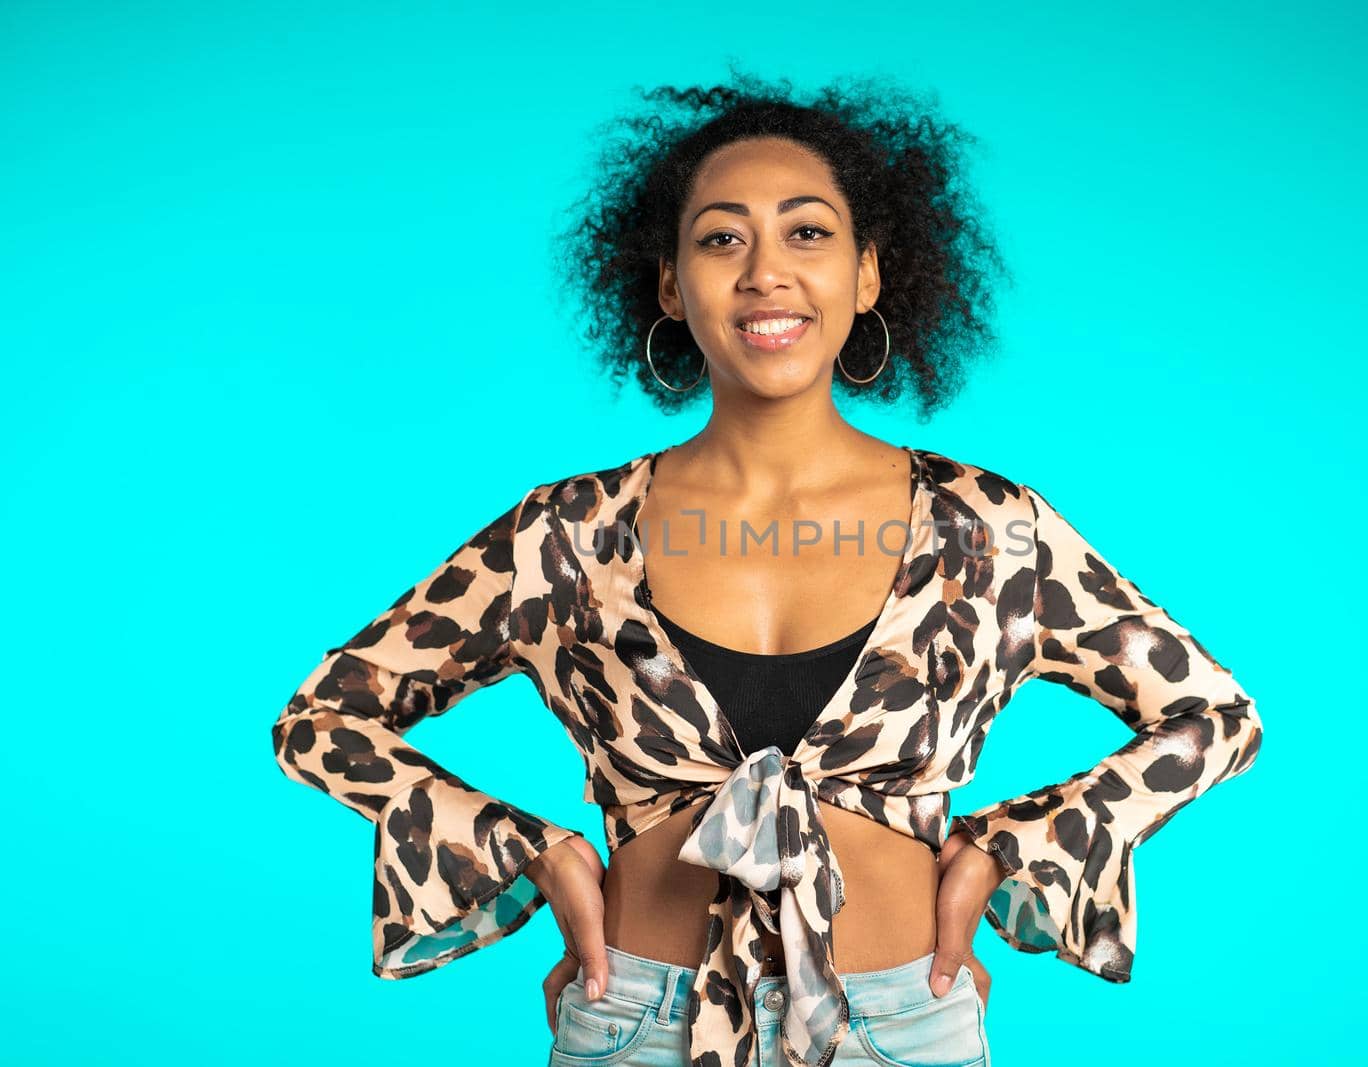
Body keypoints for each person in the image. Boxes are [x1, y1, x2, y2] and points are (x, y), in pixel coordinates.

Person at [270, 67, 1264, 1067]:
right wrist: (532, 848)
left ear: (869, 273)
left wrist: (1011, 847)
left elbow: (1212, 716)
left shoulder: (984, 530)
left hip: (903, 1023)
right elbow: (324, 718)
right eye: (719, 238)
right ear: (668, 281)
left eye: (806, 232)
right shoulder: (564, 534)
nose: (763, 272)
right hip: (636, 1025)